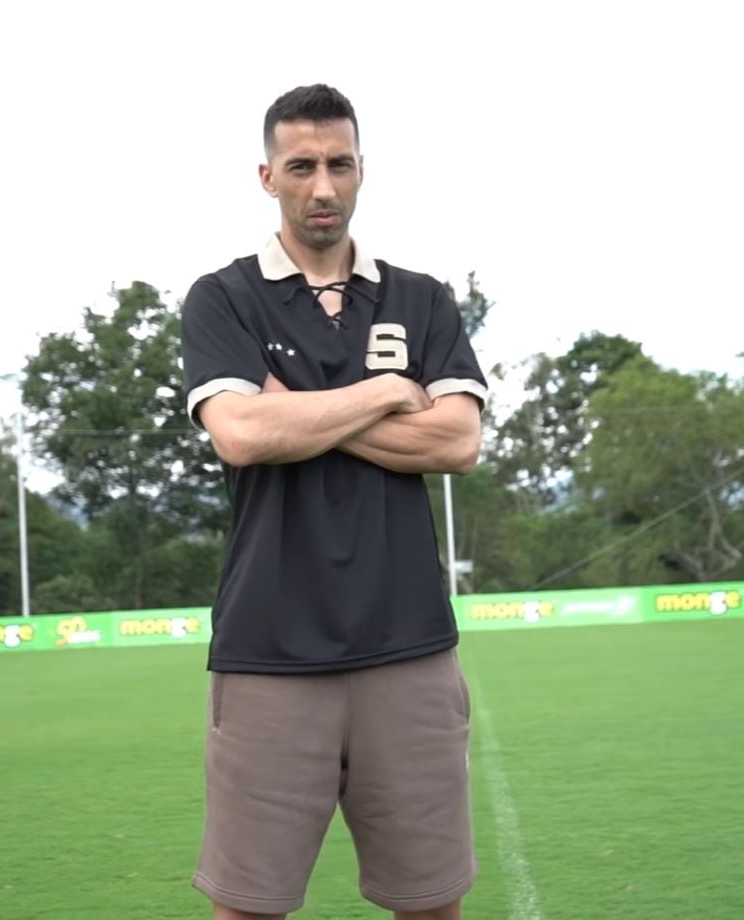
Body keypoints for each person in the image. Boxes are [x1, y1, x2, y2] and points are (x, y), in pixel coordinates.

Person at [178, 83, 489, 920]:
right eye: (302, 166)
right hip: (269, 651)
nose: (323, 186)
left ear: (362, 171)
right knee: (249, 906)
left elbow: (457, 442)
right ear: (267, 177)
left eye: (339, 165)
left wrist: (297, 407)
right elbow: (240, 435)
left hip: (409, 648)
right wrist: (389, 390)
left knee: (431, 903)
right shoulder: (224, 297)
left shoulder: (420, 298)